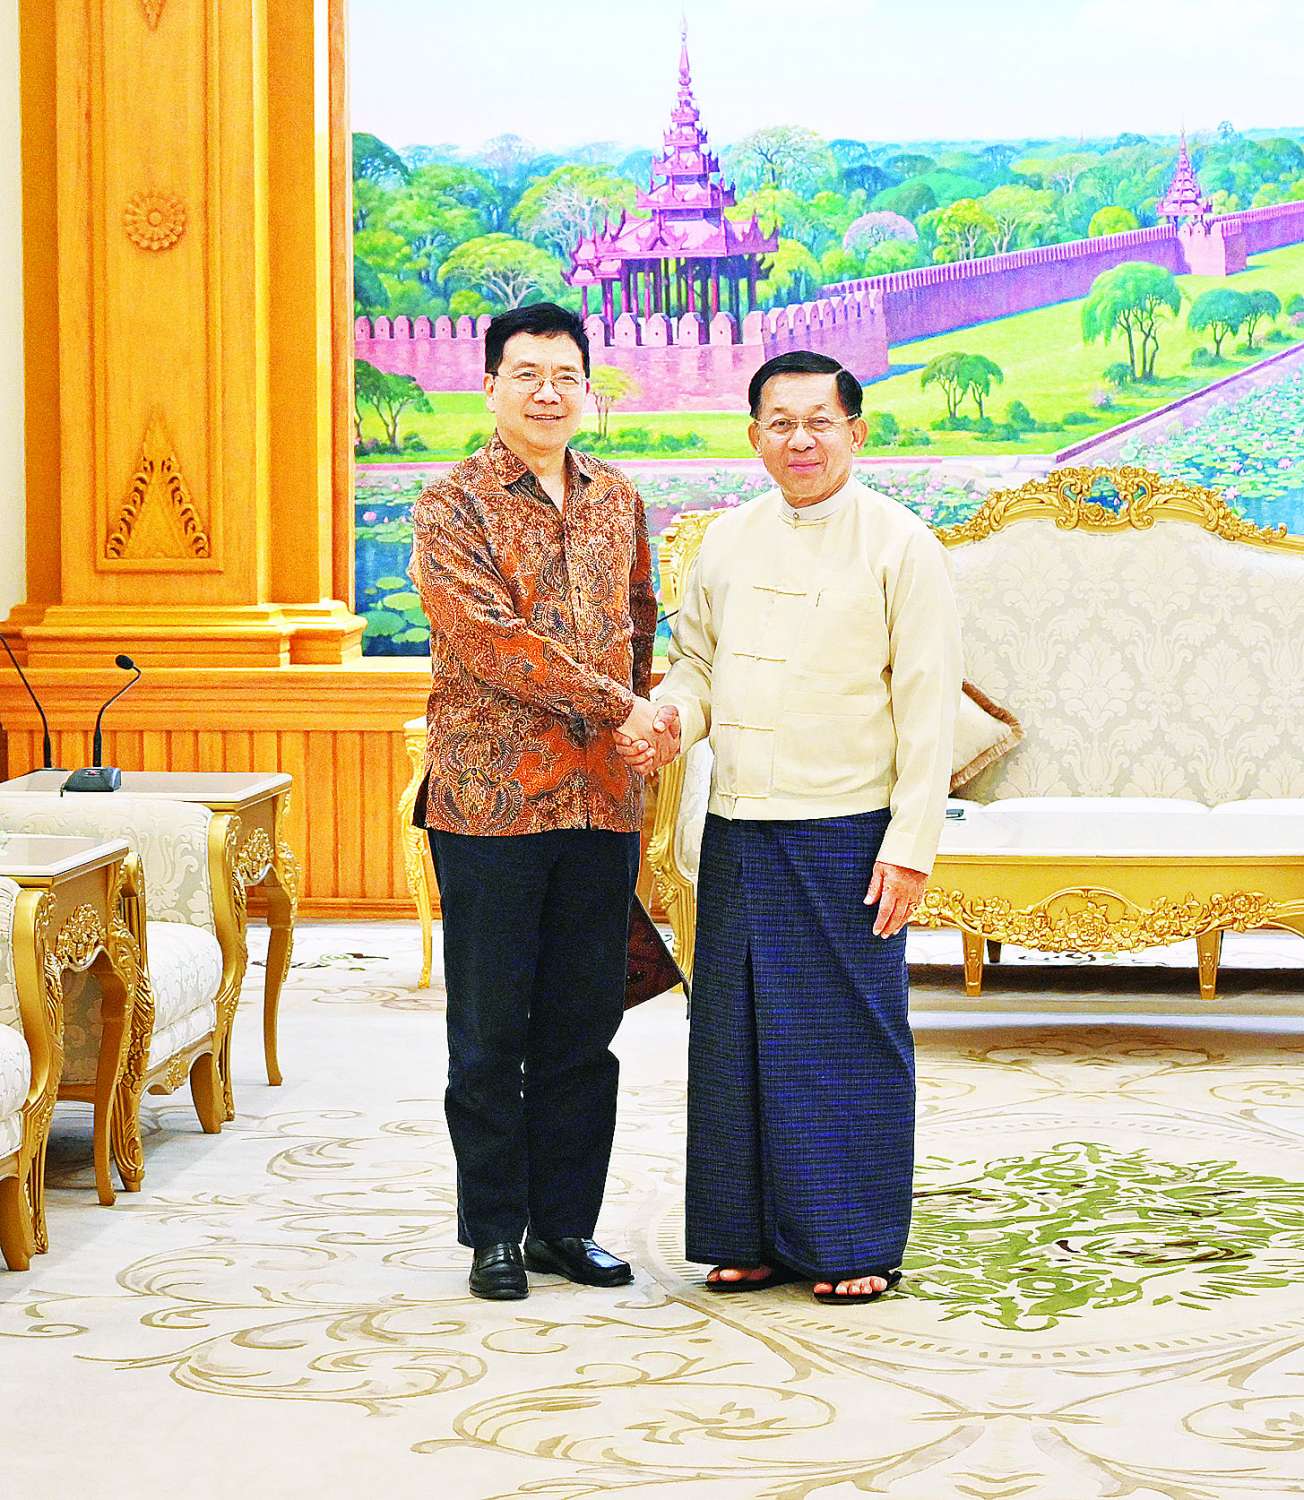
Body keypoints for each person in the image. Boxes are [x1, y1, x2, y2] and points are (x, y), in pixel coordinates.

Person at [621, 350, 962, 1304]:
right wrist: (672, 720)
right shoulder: (727, 541)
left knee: (847, 1039)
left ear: (857, 431)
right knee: (734, 1037)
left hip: (848, 829)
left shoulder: (902, 545)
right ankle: (747, 1236)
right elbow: (696, 667)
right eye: (780, 422)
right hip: (740, 824)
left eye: (820, 421)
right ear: (754, 436)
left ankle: (852, 1243)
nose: (800, 440)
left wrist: (910, 849)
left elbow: (928, 709)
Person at [408, 302, 673, 1301]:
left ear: (587, 391)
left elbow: (639, 619)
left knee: (582, 1030)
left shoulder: (618, 497)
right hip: (491, 804)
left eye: (565, 376)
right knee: (488, 1035)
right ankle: (494, 1234)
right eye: (526, 374)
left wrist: (639, 721)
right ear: (490, 387)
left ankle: (565, 1227)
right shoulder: (451, 502)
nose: (547, 393)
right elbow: (489, 643)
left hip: (601, 801)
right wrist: (621, 707)